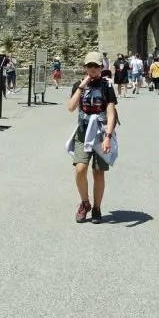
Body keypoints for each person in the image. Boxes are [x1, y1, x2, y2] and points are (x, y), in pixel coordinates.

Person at [66, 52, 118, 224]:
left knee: (98, 173)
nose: (93, 70)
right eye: (90, 66)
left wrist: (108, 137)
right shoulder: (78, 85)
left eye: (96, 66)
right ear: (85, 67)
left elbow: (111, 114)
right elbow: (71, 107)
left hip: (101, 134)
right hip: (83, 132)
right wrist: (82, 86)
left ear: (101, 68)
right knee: (80, 169)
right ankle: (85, 203)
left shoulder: (107, 87)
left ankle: (97, 207)